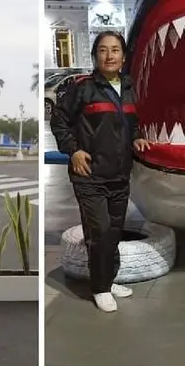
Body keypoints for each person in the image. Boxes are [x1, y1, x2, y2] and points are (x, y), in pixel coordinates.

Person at [52, 31, 150, 313]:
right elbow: (59, 120)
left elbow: (132, 123)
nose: (110, 56)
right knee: (100, 232)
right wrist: (73, 151)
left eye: (116, 50)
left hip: (119, 175)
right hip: (90, 176)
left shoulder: (129, 87)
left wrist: (138, 137)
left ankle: (110, 278)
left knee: (115, 232)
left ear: (124, 56)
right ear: (95, 56)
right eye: (103, 50)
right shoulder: (82, 87)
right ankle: (100, 288)